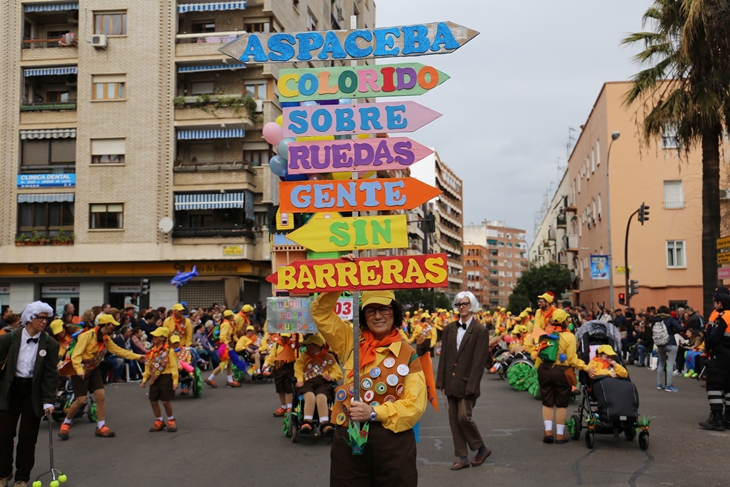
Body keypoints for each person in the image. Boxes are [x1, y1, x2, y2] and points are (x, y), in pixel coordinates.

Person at [311, 285, 427, 487]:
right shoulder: (349, 341)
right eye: (371, 310)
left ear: (394, 312)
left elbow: (415, 405)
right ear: (363, 315)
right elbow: (321, 313)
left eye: (384, 309)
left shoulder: (408, 354)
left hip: (393, 443)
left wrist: (373, 412)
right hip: (349, 440)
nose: (378, 316)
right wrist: (340, 279)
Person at [0, 302, 60, 487]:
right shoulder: (7, 339)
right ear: (29, 318)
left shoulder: (50, 344)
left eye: (46, 318)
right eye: (39, 318)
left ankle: (22, 477)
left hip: (33, 392)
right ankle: (3, 473)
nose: (43, 322)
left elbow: (51, 374)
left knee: (28, 438)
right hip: (10, 390)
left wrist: (48, 400)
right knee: (3, 434)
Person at [58, 314, 145, 440]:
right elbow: (76, 355)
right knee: (80, 400)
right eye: (112, 324)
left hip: (94, 370)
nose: (114, 327)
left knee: (101, 397)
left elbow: (118, 351)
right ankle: (66, 422)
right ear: (106, 325)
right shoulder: (87, 336)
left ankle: (101, 426)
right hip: (81, 370)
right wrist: (79, 369)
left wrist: (138, 356)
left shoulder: (105, 339)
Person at [436, 291, 492, 470]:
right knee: (453, 420)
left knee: (463, 417)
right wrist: (440, 381)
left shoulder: (480, 330)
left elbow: (479, 360)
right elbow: (444, 356)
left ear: (472, 305)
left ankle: (481, 448)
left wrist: (472, 385)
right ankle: (462, 456)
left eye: (465, 303)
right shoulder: (449, 328)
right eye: (459, 304)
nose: (462, 307)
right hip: (450, 382)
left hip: (468, 382)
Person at [534, 309, 589, 444]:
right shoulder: (570, 337)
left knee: (547, 402)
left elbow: (535, 351)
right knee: (561, 404)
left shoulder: (545, 333)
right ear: (565, 321)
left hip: (545, 370)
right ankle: (559, 434)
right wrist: (587, 367)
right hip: (562, 372)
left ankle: (548, 431)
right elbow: (572, 360)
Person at [293, 334, 342, 436]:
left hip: (322, 382)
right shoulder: (304, 357)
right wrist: (299, 380)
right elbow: (298, 369)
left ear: (317, 346)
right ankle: (307, 422)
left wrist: (331, 376)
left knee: (321, 397)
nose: (307, 348)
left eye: (310, 345)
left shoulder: (329, 357)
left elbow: (338, 373)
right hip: (307, 382)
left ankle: (325, 423)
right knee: (310, 397)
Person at [699, 291, 730, 431]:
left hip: (722, 353)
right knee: (729, 386)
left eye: (715, 302)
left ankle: (717, 418)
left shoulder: (722, 317)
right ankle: (728, 418)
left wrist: (707, 347)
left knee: (714, 384)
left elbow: (713, 337)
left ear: (720, 303)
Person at [141, 327, 178, 433]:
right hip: (154, 377)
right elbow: (148, 366)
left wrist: (175, 381)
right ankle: (159, 420)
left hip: (166, 377)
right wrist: (144, 379)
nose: (153, 337)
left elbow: (173, 367)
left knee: (166, 401)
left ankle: (171, 419)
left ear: (162, 338)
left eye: (156, 336)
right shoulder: (152, 352)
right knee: (153, 400)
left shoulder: (169, 351)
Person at [205, 310, 241, 388]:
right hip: (225, 346)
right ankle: (210, 378)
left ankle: (230, 381)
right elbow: (222, 337)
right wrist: (227, 345)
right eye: (232, 315)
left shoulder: (228, 323)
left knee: (229, 363)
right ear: (229, 316)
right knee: (224, 363)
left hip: (226, 345)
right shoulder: (226, 324)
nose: (233, 316)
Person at [264, 333, 298, 417]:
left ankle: (289, 407)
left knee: (288, 388)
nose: (284, 338)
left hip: (289, 368)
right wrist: (266, 364)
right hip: (279, 369)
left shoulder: (292, 344)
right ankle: (283, 407)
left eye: (286, 337)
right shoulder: (276, 345)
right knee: (280, 388)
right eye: (283, 336)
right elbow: (272, 356)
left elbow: (297, 355)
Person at [653, 305, 685, 392]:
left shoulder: (655, 320)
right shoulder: (670, 319)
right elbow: (681, 328)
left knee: (661, 364)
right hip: (670, 343)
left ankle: (659, 384)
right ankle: (668, 385)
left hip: (660, 344)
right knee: (670, 364)